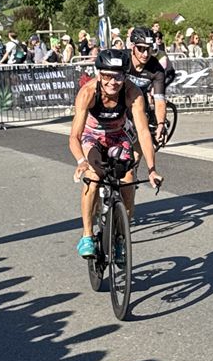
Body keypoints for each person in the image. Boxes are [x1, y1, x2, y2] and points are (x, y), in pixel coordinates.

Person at [68, 48, 161, 260]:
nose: (113, 82)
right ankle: (87, 235)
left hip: (118, 137)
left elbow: (143, 132)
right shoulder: (88, 92)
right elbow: (75, 136)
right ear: (99, 74)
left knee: (128, 183)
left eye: (118, 77)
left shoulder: (132, 92)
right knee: (93, 178)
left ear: (125, 76)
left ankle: (121, 237)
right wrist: (81, 161)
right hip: (92, 137)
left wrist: (152, 169)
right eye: (107, 76)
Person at [126, 27, 175, 142]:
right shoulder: (123, 60)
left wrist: (161, 124)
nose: (145, 54)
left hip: (141, 96)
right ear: (132, 47)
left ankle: (153, 120)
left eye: (148, 49)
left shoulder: (156, 68)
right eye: (141, 49)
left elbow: (159, 100)